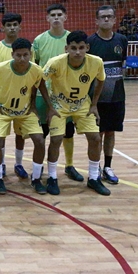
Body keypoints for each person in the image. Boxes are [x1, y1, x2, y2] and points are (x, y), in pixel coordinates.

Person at [43, 30, 110, 196]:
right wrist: (50, 106)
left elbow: (101, 80)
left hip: (82, 104)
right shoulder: (55, 63)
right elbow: (39, 81)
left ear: (87, 47)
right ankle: (52, 177)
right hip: (59, 104)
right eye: (73, 48)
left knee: (95, 138)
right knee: (56, 139)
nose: (78, 52)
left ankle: (94, 177)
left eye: (81, 47)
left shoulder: (96, 62)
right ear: (66, 48)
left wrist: (94, 104)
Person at [0, 38, 57, 195]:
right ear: (12, 55)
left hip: (25, 112)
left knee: (39, 140)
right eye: (18, 55)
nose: (22, 58)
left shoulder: (36, 70)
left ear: (31, 54)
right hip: (3, 111)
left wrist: (44, 106)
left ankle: (36, 178)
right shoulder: (0, 68)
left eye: (26, 55)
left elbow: (38, 86)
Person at [33, 4, 80, 182]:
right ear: (47, 18)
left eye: (60, 14)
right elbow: (35, 68)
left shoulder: (72, 39)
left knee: (67, 132)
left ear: (65, 17)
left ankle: (69, 165)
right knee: (42, 133)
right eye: (53, 15)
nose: (56, 18)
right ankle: (40, 166)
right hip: (42, 95)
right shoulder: (39, 41)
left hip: (65, 96)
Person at [0, 13, 34, 179]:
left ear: (20, 27)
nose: (12, 27)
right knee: (1, 135)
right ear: (3, 28)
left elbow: (33, 75)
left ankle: (18, 164)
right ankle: (2, 164)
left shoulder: (27, 49)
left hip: (23, 100)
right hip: (3, 101)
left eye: (15, 24)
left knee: (20, 135)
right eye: (9, 25)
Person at [86, 5, 128, 184]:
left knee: (111, 132)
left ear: (114, 20)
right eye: (102, 17)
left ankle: (108, 167)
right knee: (98, 134)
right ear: (96, 20)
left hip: (117, 96)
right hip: (97, 97)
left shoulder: (122, 40)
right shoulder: (90, 42)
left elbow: (122, 64)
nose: (106, 20)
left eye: (109, 17)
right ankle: (93, 170)